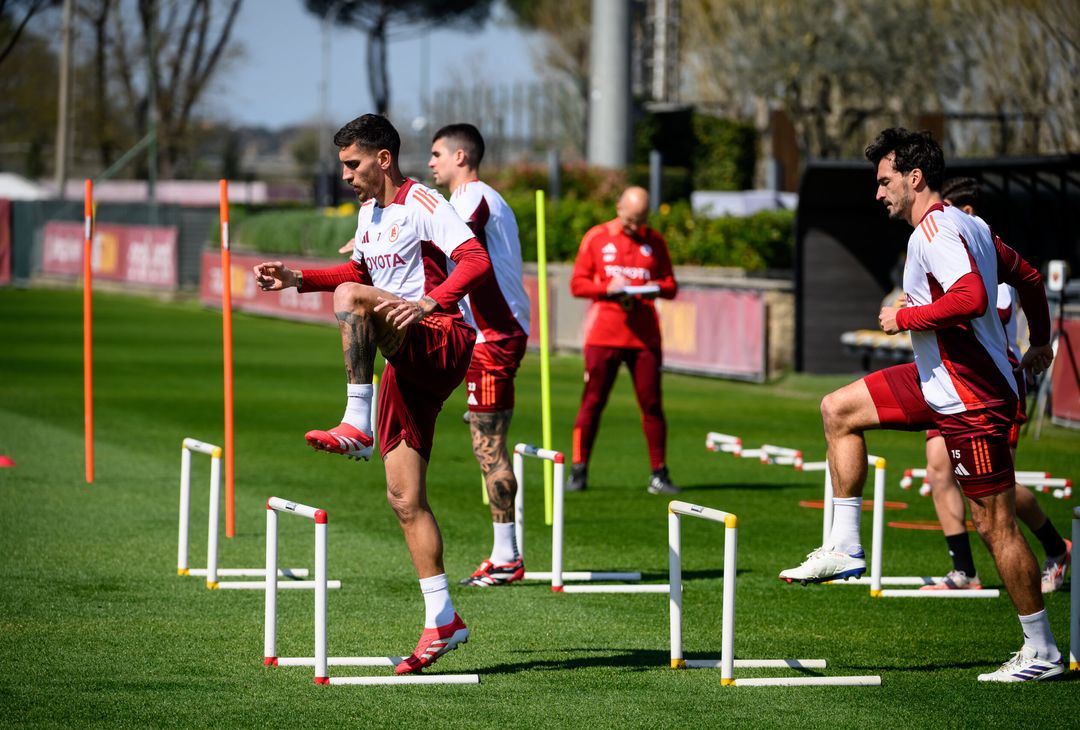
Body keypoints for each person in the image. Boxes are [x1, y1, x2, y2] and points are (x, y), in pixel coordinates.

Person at [779, 128, 1063, 682]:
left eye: (884, 181)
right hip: (937, 379)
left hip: (973, 396)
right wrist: (1041, 343)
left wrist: (903, 317)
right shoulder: (970, 225)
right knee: (838, 409)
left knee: (994, 526)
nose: (878, 192)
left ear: (914, 178)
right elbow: (1028, 277)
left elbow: (971, 298)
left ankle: (1042, 650)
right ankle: (845, 546)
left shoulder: (935, 230)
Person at [252, 114, 493, 675]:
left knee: (351, 297)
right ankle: (443, 619)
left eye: (352, 164)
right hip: (404, 362)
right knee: (404, 498)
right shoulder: (369, 213)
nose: (345, 175)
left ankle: (355, 420)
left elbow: (475, 259)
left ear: (383, 159)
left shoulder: (424, 202)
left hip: (441, 337)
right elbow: (356, 271)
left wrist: (433, 301)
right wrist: (297, 278)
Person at [918, 177, 1070, 593]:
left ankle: (1056, 547)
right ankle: (964, 571)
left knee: (997, 489)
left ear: (966, 213)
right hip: (948, 379)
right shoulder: (941, 250)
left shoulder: (986, 257)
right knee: (938, 468)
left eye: (946, 211)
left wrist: (918, 312)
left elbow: (977, 305)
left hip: (992, 383)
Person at [427, 123, 531, 587]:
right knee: (484, 443)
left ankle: (507, 556)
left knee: (489, 447)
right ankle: (504, 553)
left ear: (461, 156)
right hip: (485, 335)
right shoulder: (465, 199)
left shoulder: (473, 197)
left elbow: (449, 244)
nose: (430, 163)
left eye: (436, 154)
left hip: (496, 335)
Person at [566, 186, 679, 495]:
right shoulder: (597, 237)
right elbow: (577, 284)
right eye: (630, 219)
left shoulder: (655, 241)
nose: (634, 226)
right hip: (604, 335)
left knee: (652, 405)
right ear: (619, 207)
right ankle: (579, 470)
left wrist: (654, 287)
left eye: (640, 220)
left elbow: (671, 286)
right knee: (593, 402)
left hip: (644, 338)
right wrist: (606, 288)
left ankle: (659, 473)